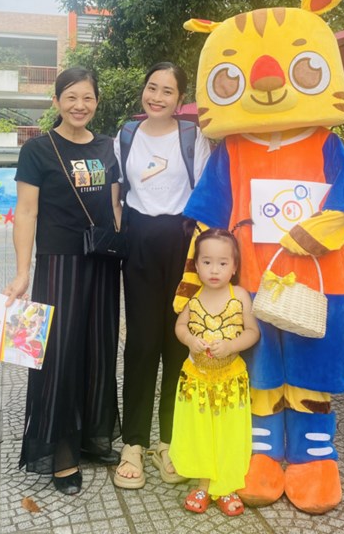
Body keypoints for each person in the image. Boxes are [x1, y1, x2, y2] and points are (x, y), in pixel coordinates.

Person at [3, 67, 122, 495]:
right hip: (59, 263)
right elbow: (26, 212)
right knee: (60, 353)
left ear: (96, 102)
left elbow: (114, 206)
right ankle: (62, 450)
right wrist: (23, 272)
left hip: (102, 262)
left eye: (87, 98)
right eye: (71, 97)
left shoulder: (108, 147)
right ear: (56, 101)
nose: (79, 105)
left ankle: (93, 436)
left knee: (99, 349)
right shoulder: (37, 150)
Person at [113, 62, 211, 489]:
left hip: (182, 245)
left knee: (177, 341)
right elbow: (117, 193)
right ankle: (133, 443)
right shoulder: (126, 135)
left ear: (179, 99)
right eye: (152, 87)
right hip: (138, 244)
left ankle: (169, 441)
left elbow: (205, 194)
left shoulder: (193, 136)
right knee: (140, 342)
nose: (157, 97)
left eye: (167, 91)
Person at [169, 228, 259, 516]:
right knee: (200, 433)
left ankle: (226, 485)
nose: (214, 270)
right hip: (196, 380)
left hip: (230, 380)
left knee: (229, 433)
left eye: (223, 263)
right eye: (207, 262)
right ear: (196, 265)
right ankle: (203, 484)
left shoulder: (240, 296)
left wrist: (232, 345)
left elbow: (253, 332)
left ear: (234, 266)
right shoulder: (193, 297)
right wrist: (190, 340)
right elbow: (180, 326)